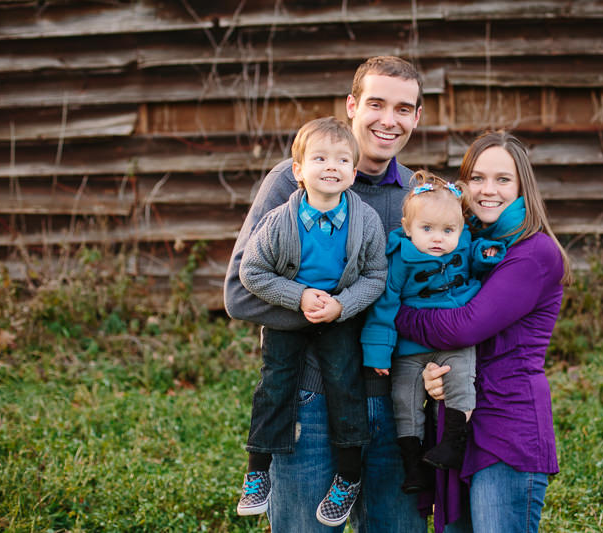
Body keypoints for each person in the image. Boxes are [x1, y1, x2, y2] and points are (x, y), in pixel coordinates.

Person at [224, 56, 427, 533]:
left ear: (417, 117)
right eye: (376, 104)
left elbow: (432, 298)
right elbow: (239, 292)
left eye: (403, 108)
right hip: (309, 397)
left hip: (395, 400)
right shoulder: (291, 183)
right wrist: (323, 308)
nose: (388, 120)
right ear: (352, 106)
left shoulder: (419, 195)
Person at [394, 131, 573, 533]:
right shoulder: (461, 246)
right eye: (476, 178)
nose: (487, 190)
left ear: (522, 185)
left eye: (502, 179)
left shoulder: (533, 252)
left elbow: (465, 326)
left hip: (507, 424)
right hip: (459, 423)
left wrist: (392, 314)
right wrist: (431, 370)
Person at [236, 117, 387, 527]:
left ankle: (349, 476)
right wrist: (298, 296)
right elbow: (251, 272)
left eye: (341, 159)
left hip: (338, 317)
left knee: (345, 386)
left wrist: (342, 306)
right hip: (290, 315)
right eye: (319, 158)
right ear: (298, 170)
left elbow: (376, 276)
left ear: (353, 173)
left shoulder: (366, 221)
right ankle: (257, 470)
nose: (331, 166)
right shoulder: (279, 222)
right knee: (275, 383)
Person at [361, 170, 501, 494]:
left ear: (461, 229)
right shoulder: (399, 260)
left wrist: (484, 255)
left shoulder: (462, 246)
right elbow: (384, 306)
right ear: (408, 229)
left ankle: (453, 443)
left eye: (448, 230)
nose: (438, 239)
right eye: (427, 229)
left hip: (454, 337)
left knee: (462, 378)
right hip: (410, 346)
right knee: (403, 397)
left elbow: (477, 264)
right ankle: (414, 466)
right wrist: (378, 353)